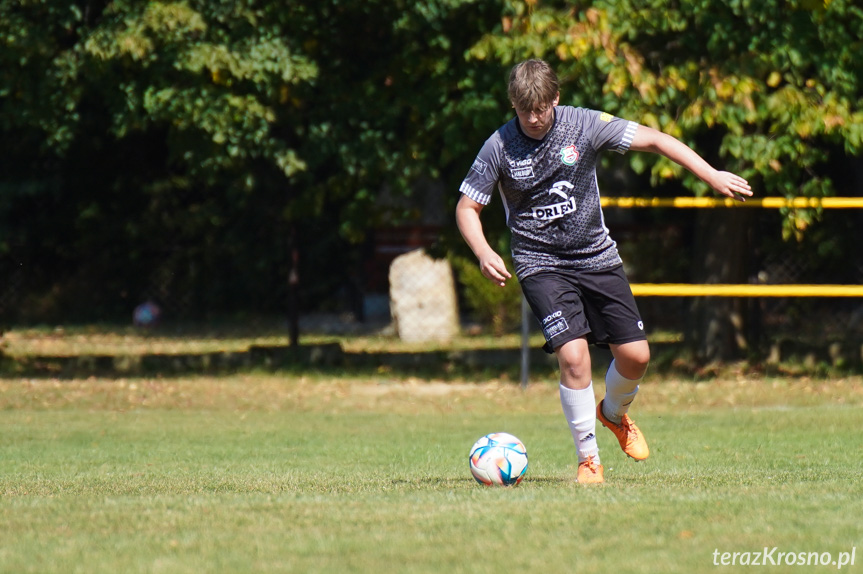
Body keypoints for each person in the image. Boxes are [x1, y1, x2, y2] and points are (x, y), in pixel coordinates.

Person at [455, 59, 752, 484]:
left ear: (555, 98)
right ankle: (588, 459)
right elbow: (468, 207)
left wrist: (711, 175)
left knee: (636, 357)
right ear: (513, 105)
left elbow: (657, 140)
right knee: (573, 356)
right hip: (541, 263)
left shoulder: (585, 125)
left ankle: (614, 414)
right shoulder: (499, 146)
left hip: (596, 257)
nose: (534, 119)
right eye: (525, 111)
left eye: (541, 108)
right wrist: (483, 251)